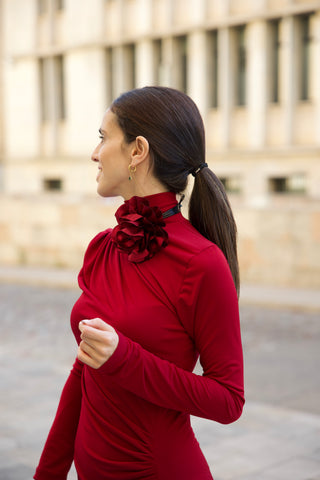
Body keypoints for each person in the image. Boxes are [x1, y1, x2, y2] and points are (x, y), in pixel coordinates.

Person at [34, 86, 244, 480]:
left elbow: (229, 400)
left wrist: (125, 360)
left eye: (103, 137)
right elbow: (85, 372)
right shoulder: (103, 248)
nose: (95, 154)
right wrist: (48, 472)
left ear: (137, 151)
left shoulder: (202, 263)